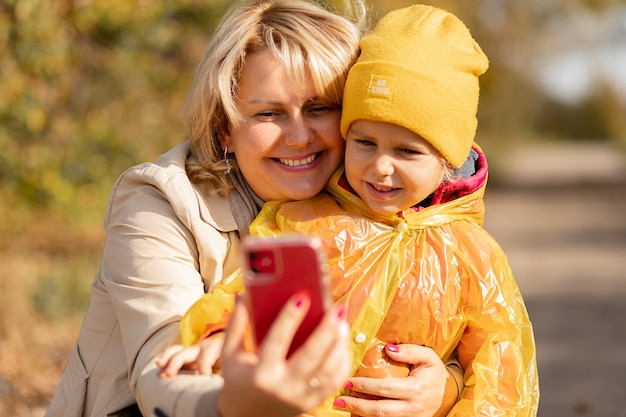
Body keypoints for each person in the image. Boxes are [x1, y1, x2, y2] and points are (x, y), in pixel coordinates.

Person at [44, 1, 461, 417]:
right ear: (225, 126)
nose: (299, 137)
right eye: (269, 113)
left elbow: (457, 328)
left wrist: (447, 385)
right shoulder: (158, 201)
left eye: (319, 108)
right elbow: (162, 372)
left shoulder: (385, 204)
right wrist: (235, 403)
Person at [167, 4, 540, 416]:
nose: (381, 167)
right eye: (364, 143)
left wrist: (444, 395)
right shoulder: (307, 219)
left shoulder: (475, 256)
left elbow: (502, 374)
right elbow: (249, 297)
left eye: (406, 151)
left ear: (447, 160)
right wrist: (221, 336)